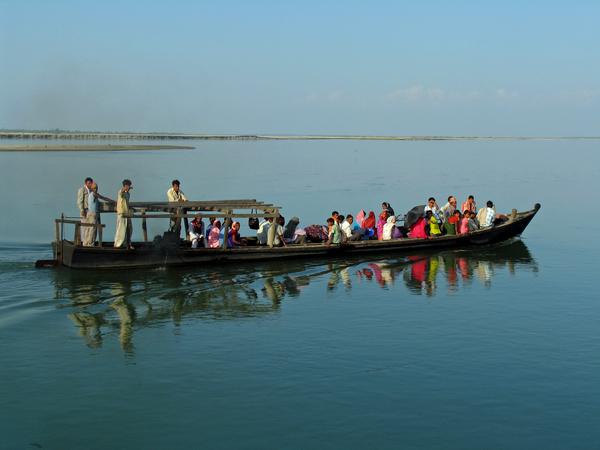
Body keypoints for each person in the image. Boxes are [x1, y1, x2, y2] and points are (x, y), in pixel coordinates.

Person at [84, 182, 117, 246]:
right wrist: (114, 201)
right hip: (93, 214)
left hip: (89, 213)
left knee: (89, 228)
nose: (95, 189)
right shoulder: (94, 194)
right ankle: (90, 244)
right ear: (91, 188)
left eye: (96, 188)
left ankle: (86, 243)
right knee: (92, 229)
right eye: (94, 188)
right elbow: (104, 198)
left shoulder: (90, 194)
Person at [114, 179, 133, 249]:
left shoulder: (128, 194)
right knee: (121, 229)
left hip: (126, 213)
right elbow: (121, 192)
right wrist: (125, 188)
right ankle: (117, 244)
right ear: (124, 186)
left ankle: (126, 243)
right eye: (126, 187)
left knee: (129, 229)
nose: (128, 188)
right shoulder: (121, 192)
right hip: (121, 213)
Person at [77, 177, 93, 245]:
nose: (90, 184)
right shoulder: (82, 190)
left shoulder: (91, 190)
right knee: (84, 226)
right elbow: (79, 201)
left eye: (91, 183)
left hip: (90, 210)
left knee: (90, 226)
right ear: (85, 183)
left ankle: (89, 241)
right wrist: (82, 210)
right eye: (89, 183)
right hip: (85, 209)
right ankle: (84, 242)